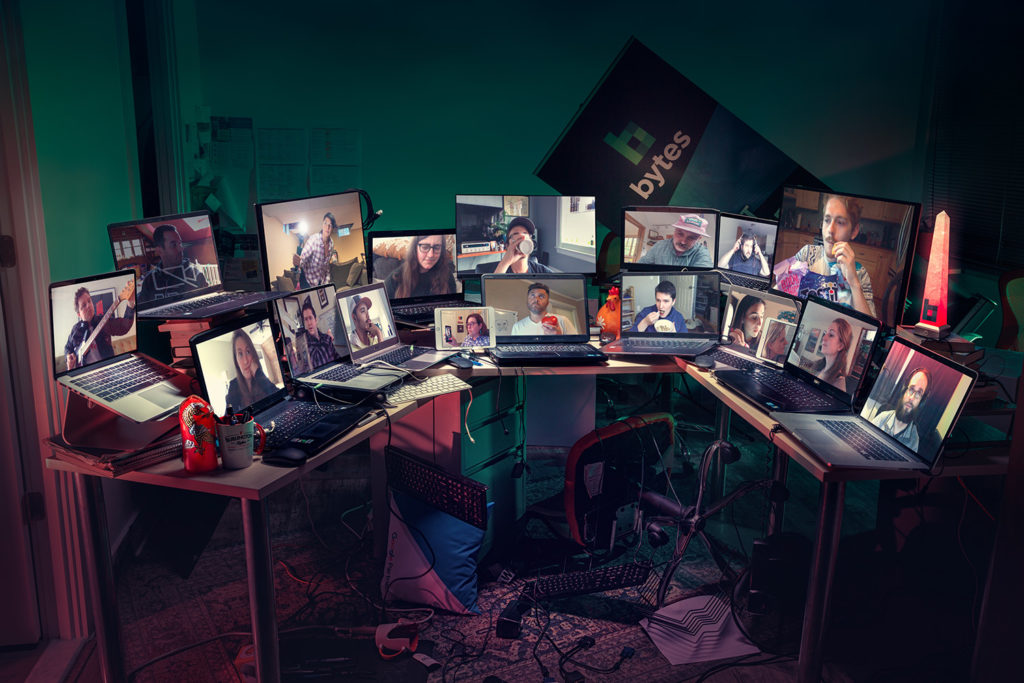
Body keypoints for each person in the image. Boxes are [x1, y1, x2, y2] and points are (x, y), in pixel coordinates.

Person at [782, 195, 875, 317]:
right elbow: (779, 291)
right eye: (827, 220)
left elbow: (870, 328)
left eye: (840, 222)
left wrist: (853, 283)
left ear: (854, 231)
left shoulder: (860, 273)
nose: (830, 229)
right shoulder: (807, 254)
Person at [64, 280, 136, 370]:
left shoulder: (104, 321)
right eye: (83, 305)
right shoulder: (75, 330)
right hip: (85, 375)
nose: (88, 306)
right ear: (79, 314)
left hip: (108, 372)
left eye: (89, 301)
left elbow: (124, 327)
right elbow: (68, 347)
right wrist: (68, 357)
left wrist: (131, 304)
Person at [138, 224, 209, 303]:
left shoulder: (196, 275)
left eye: (180, 243)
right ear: (159, 251)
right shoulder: (149, 280)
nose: (181, 248)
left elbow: (206, 305)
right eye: (174, 245)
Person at [870, 367, 930, 451]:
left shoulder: (914, 440)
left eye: (919, 393)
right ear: (904, 390)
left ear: (922, 402)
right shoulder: (882, 417)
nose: (912, 398)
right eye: (911, 389)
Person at [385, 234, 456, 298]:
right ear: (414, 249)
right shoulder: (394, 279)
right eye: (425, 247)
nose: (431, 255)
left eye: (437, 247)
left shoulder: (447, 275)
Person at [475, 217, 554, 274]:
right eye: (515, 234)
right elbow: (490, 294)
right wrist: (505, 263)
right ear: (507, 246)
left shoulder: (542, 272)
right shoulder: (495, 271)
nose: (522, 237)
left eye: (525, 233)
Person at [225, 330, 278, 409]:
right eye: (240, 354)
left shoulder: (260, 378)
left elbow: (280, 398)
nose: (246, 361)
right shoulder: (233, 386)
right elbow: (229, 418)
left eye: (248, 351)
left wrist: (258, 374)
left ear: (253, 354)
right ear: (236, 361)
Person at [637, 214, 713, 267]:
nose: (683, 241)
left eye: (691, 238)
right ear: (674, 231)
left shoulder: (702, 253)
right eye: (680, 234)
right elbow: (642, 264)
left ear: (699, 239)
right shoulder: (659, 245)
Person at [510, 282, 576, 335]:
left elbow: (579, 348)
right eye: (532, 295)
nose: (536, 299)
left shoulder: (563, 320)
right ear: (527, 299)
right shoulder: (517, 327)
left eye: (541, 296)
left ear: (547, 302)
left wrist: (559, 338)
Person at [294, 297, 339, 373]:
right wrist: (328, 338)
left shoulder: (325, 337)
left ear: (316, 320)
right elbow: (318, 362)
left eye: (310, 318)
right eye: (306, 319)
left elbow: (336, 356)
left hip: (335, 372)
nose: (309, 323)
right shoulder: (305, 343)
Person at [296, 212, 337, 288]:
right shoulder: (313, 240)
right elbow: (302, 259)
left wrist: (326, 283)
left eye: (330, 225)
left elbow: (326, 266)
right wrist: (297, 263)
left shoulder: (331, 244)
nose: (327, 227)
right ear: (322, 225)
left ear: (332, 228)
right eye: (325, 223)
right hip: (306, 280)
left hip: (318, 282)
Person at [812, 318, 852, 390]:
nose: (824, 337)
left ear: (840, 346)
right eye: (825, 333)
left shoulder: (839, 382)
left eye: (831, 335)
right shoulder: (820, 367)